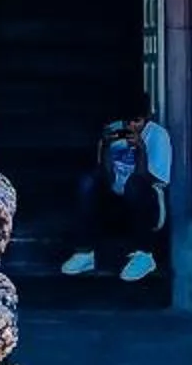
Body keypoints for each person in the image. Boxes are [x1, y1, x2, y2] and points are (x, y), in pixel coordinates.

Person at [61, 98, 173, 284]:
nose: (131, 126)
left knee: (135, 185)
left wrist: (141, 149)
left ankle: (144, 255)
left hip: (147, 200)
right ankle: (85, 252)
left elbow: (153, 180)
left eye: (136, 121)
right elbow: (104, 174)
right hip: (116, 197)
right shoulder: (115, 130)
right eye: (127, 121)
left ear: (146, 118)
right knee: (87, 182)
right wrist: (105, 146)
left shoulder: (158, 136)